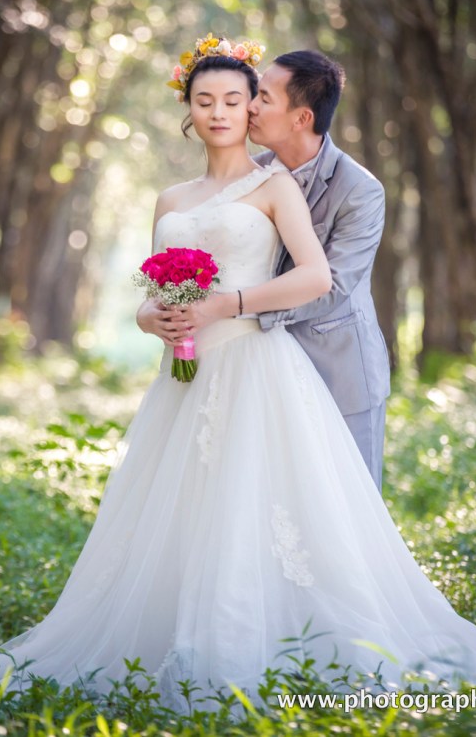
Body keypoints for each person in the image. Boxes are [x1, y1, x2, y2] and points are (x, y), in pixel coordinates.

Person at [0, 35, 476, 712]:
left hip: (275, 364)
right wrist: (151, 318)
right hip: (184, 380)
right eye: (206, 100)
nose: (226, 111)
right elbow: (154, 294)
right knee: (185, 510)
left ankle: (296, 637)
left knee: (313, 513)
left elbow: (320, 278)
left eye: (244, 99)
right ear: (187, 109)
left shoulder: (294, 187)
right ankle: (176, 637)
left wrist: (228, 309)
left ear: (262, 113)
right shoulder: (172, 197)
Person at [138, 49, 390, 489]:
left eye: (263, 98)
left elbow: (329, 287)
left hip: (335, 363)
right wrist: (155, 315)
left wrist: (227, 311)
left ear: (300, 118)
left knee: (346, 504)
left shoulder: (360, 192)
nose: (249, 106)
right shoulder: (249, 177)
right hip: (235, 366)